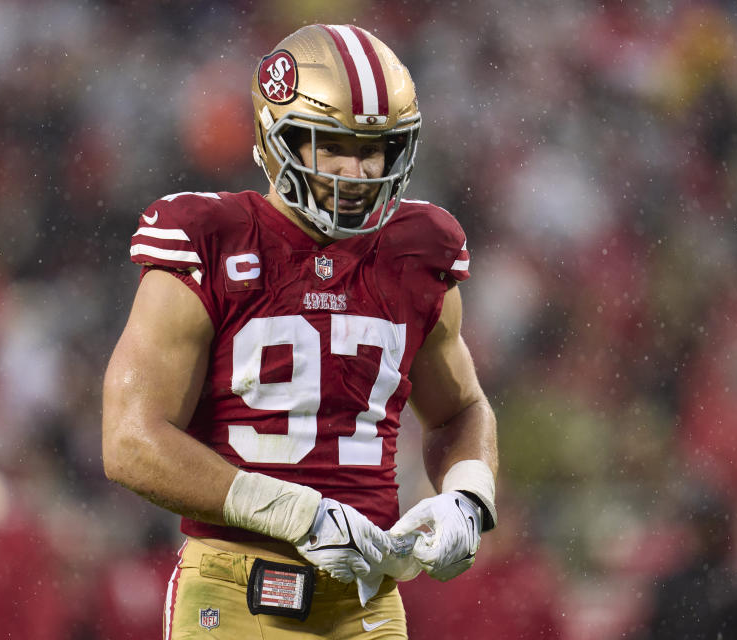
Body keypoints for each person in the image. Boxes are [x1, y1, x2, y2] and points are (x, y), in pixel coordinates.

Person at [102, 24, 498, 639]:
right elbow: (130, 441)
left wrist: (467, 497)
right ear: (277, 137)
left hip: (365, 598)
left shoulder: (418, 252)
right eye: (332, 144)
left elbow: (460, 409)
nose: (359, 169)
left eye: (377, 148)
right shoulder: (209, 240)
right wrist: (295, 513)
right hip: (236, 590)